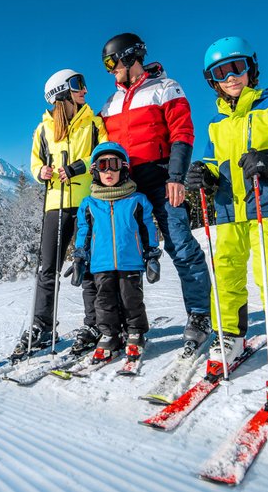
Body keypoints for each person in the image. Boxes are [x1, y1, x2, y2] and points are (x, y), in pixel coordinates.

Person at [186, 36, 268, 398]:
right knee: (225, 274)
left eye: (237, 67)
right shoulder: (216, 122)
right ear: (212, 79)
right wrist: (206, 173)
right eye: (220, 71)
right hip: (228, 208)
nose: (231, 77)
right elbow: (215, 161)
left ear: (251, 69)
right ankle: (230, 337)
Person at [98, 33, 212, 351]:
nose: (109, 70)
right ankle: (126, 324)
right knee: (124, 254)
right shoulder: (109, 104)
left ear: (130, 57)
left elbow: (182, 132)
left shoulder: (165, 88)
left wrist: (176, 176)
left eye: (111, 62)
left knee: (180, 244)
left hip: (162, 179)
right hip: (127, 188)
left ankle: (200, 315)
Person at [13, 69, 108, 359]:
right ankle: (42, 326)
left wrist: (78, 168)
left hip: (87, 201)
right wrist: (40, 172)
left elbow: (104, 153)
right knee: (47, 268)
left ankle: (94, 324)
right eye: (79, 85)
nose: (85, 90)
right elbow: (35, 162)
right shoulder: (43, 130)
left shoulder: (94, 123)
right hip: (55, 203)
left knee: (88, 264)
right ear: (61, 93)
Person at [71, 142, 161, 362]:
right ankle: (109, 334)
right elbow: (84, 231)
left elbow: (147, 228)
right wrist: (79, 256)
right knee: (104, 301)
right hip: (100, 263)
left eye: (113, 164)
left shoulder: (136, 200)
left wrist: (151, 255)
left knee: (131, 299)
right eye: (102, 165)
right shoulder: (89, 203)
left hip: (130, 261)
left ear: (124, 167)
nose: (108, 171)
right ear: (95, 171)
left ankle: (135, 332)